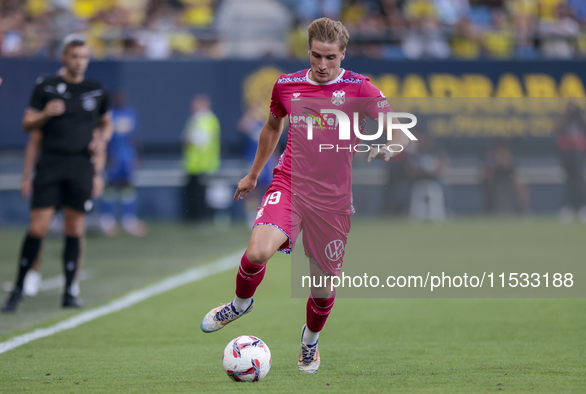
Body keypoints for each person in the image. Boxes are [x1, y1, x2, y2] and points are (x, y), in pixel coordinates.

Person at [200, 18, 411, 373]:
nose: (324, 65)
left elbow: (398, 129)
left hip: (333, 202)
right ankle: (239, 305)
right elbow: (272, 126)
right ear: (308, 51)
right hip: (290, 184)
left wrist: (390, 147)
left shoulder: (361, 89)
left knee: (323, 289)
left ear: (343, 53)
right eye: (317, 56)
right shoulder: (287, 85)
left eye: (331, 57)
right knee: (257, 252)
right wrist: (253, 174)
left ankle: (309, 343)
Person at [2, 34, 112, 313]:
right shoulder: (46, 86)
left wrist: (101, 142)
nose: (79, 62)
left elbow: (105, 124)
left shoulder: (96, 89)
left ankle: (69, 291)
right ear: (64, 57)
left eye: (84, 57)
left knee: (74, 227)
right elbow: (28, 124)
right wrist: (45, 113)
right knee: (38, 227)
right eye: (75, 56)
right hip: (50, 164)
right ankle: (17, 288)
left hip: (80, 166)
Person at [100, 90, 148, 237]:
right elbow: (103, 137)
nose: (120, 99)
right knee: (110, 187)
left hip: (128, 158)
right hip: (113, 157)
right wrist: (105, 155)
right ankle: (108, 221)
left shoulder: (131, 113)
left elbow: (136, 136)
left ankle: (129, 220)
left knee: (128, 187)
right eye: (117, 97)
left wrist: (138, 157)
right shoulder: (108, 115)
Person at [182, 94, 220, 222]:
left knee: (200, 195)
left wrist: (189, 140)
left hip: (204, 164)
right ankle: (194, 218)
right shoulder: (196, 119)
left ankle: (201, 218)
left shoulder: (207, 119)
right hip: (194, 164)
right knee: (193, 194)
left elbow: (198, 140)